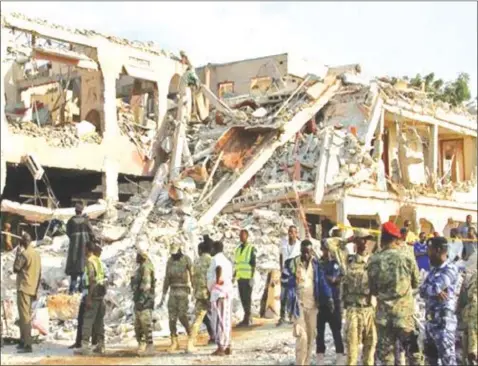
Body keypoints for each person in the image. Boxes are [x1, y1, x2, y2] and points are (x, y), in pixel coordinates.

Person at [367, 221, 423, 366]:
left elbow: (372, 290)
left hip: (383, 317)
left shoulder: (374, 260)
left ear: (382, 238)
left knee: (386, 357)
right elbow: (416, 282)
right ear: (396, 238)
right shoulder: (406, 257)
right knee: (413, 353)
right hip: (404, 316)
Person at [288, 239, 333, 366]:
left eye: (308, 252)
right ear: (301, 251)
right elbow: (287, 283)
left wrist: (328, 297)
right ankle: (300, 363)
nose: (306, 255)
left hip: (313, 305)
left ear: (311, 251)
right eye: (303, 252)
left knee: (311, 336)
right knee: (302, 336)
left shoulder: (316, 264)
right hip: (299, 305)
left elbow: (322, 282)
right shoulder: (294, 263)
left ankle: (306, 363)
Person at [419, 237, 460, 365]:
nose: (427, 253)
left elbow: (434, 288)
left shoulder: (450, 269)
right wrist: (433, 290)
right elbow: (422, 290)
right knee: (430, 361)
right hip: (431, 324)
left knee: (448, 361)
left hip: (444, 325)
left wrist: (432, 289)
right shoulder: (434, 270)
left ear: (437, 250)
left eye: (429, 250)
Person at [343, 229, 376, 366]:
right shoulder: (348, 260)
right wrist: (347, 240)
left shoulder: (374, 261)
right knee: (352, 350)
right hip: (354, 310)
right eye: (363, 239)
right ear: (357, 241)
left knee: (370, 349)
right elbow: (329, 244)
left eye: (368, 239)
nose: (366, 243)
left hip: (370, 309)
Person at [69, 244, 107, 349]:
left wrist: (89, 298)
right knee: (99, 321)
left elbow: (91, 280)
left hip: (92, 293)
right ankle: (100, 344)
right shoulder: (98, 261)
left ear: (87, 249)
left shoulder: (89, 262)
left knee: (87, 320)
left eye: (85, 249)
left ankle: (84, 345)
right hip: (100, 293)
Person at [159, 244, 194, 352]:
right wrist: (163, 294)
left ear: (179, 250)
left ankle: (190, 335)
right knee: (172, 317)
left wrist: (194, 290)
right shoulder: (170, 261)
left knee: (182, 315)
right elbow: (167, 278)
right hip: (173, 291)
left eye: (175, 254)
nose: (174, 256)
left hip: (183, 290)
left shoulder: (186, 259)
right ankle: (174, 341)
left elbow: (193, 274)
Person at [316, 239, 345, 365]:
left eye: (328, 249)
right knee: (319, 332)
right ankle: (320, 356)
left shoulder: (334, 263)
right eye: (324, 249)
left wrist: (323, 275)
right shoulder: (318, 264)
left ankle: (339, 355)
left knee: (336, 331)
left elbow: (334, 279)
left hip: (334, 302)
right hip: (321, 303)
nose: (326, 252)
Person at [13, 232, 41, 353]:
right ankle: (23, 340)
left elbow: (16, 268)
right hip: (32, 287)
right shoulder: (36, 254)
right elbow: (40, 273)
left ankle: (27, 344)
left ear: (24, 242)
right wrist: (36, 289)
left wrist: (18, 254)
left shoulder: (24, 254)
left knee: (24, 317)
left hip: (24, 287)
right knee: (27, 315)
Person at [207, 240, 234, 356]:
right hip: (226, 293)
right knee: (226, 319)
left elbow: (218, 268)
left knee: (218, 320)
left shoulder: (216, 259)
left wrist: (217, 280)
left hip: (219, 293)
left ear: (214, 249)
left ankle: (221, 347)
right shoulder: (227, 261)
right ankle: (227, 345)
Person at [66, 203, 96, 294]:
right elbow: (92, 233)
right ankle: (81, 289)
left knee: (74, 269)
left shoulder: (70, 221)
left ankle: (72, 290)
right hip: (84, 248)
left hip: (74, 249)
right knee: (84, 267)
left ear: (75, 211)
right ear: (81, 211)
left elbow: (68, 233)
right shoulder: (86, 221)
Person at [190, 240, 214, 351]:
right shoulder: (211, 260)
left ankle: (191, 342)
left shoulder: (196, 261)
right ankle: (217, 338)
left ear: (200, 250)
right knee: (215, 316)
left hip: (199, 293)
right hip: (210, 293)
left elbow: (192, 277)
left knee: (199, 318)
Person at [131, 246, 156, 355]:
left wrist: (141, 301)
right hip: (139, 299)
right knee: (138, 325)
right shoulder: (141, 267)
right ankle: (141, 344)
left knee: (145, 323)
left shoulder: (146, 267)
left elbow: (146, 286)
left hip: (145, 300)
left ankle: (149, 346)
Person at [277, 225, 301, 326]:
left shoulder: (299, 245)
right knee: (283, 296)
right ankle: (282, 317)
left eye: (293, 232)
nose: (291, 233)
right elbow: (280, 256)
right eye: (289, 231)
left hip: (294, 274)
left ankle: (292, 316)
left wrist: (299, 273)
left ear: (296, 233)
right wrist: (281, 268)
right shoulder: (283, 244)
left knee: (293, 296)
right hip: (285, 273)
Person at [457, 252, 477, 366]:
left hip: (471, 314)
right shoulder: (473, 276)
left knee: (470, 345)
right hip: (471, 314)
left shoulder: (472, 276)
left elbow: (465, 297)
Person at [234, 229, 256, 327]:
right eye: (240, 235)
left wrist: (252, 277)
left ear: (247, 236)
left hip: (247, 278)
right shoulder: (238, 249)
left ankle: (248, 318)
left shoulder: (251, 248)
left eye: (243, 235)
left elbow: (253, 264)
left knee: (247, 299)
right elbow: (237, 263)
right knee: (243, 298)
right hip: (240, 277)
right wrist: (234, 275)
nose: (241, 237)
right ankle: (246, 318)